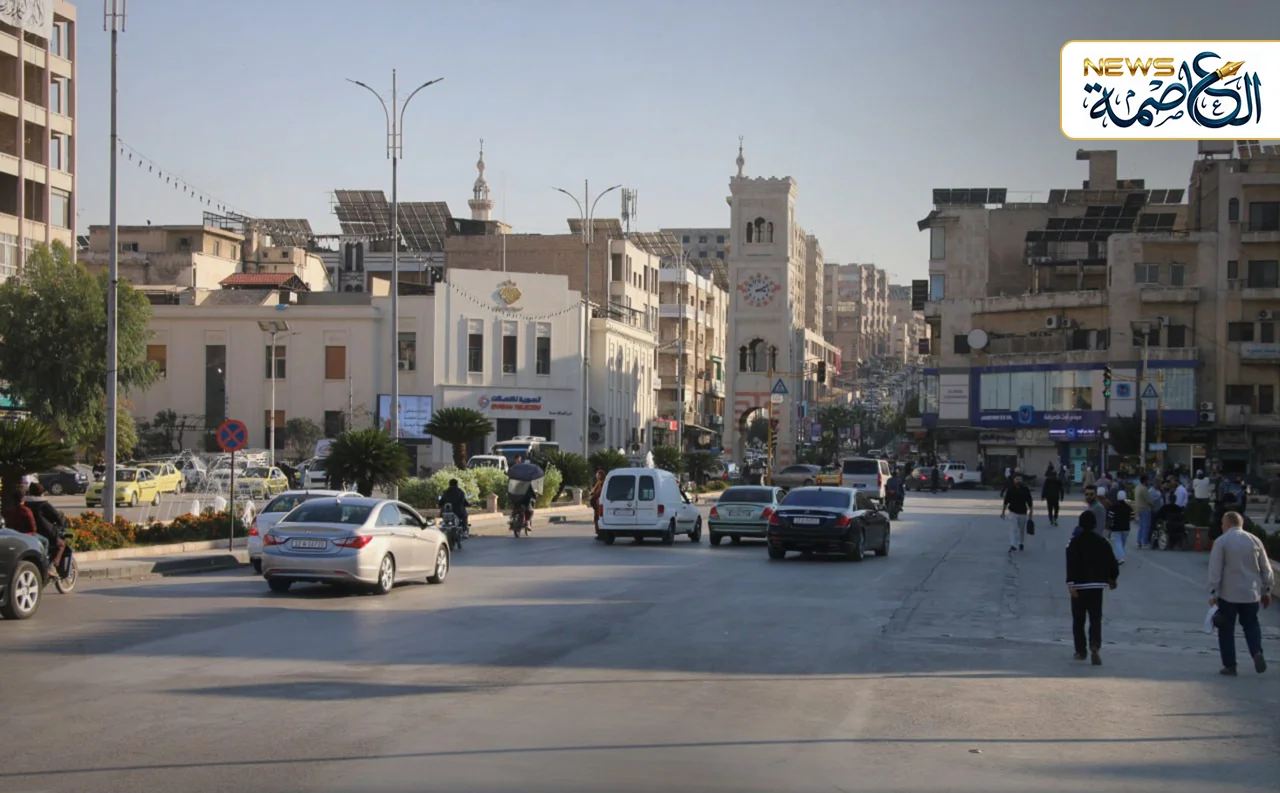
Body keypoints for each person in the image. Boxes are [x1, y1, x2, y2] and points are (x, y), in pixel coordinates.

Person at [1206, 511, 1274, 676]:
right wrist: (1267, 591)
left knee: (1226, 629)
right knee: (1251, 624)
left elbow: (1215, 569)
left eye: (1223, 523)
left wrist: (1213, 593)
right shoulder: (1254, 540)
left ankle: (1230, 665)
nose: (1221, 526)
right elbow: (1266, 568)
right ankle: (1256, 651)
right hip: (1251, 593)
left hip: (1228, 594)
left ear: (1229, 523)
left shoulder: (1222, 541)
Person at [1066, 509, 1120, 666]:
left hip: (1079, 586)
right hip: (1097, 586)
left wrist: (1071, 584)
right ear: (1095, 525)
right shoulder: (1102, 542)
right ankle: (1094, 644)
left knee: (1078, 619)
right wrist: (1112, 578)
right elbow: (1112, 562)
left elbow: (1070, 563)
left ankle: (1081, 651)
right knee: (1095, 618)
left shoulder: (1074, 542)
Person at [3, 488, 54, 577]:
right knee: (45, 541)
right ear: (23, 499)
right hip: (27, 535)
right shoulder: (26, 510)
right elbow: (33, 527)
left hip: (12, 534)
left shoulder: (8, 511)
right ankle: (45, 565)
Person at [26, 481, 68, 573]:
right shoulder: (43, 505)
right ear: (42, 493)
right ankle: (52, 566)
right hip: (45, 533)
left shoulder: (25, 504)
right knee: (61, 545)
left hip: (26, 532)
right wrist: (64, 523)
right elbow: (57, 517)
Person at [1001, 473, 1033, 553]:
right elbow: (1006, 501)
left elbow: (1029, 500)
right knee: (1013, 529)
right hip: (1013, 512)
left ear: (1022, 480)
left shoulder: (1025, 489)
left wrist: (1031, 511)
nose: (1018, 481)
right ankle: (1013, 545)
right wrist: (1003, 512)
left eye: (1020, 479)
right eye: (1017, 479)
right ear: (1014, 480)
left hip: (1023, 512)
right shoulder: (1010, 489)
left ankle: (1021, 543)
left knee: (1021, 529)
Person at [1108, 490, 1133, 564]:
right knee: (1122, 543)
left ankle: (1120, 557)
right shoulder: (1129, 507)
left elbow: (1110, 516)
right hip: (1126, 528)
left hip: (1116, 528)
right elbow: (1132, 516)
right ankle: (1119, 556)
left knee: (1117, 542)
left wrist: (1109, 526)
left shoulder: (1114, 507)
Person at [1134, 475, 1154, 549]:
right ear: (1145, 480)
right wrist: (1152, 505)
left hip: (1139, 508)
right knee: (1146, 526)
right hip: (1145, 509)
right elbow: (1149, 500)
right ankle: (1144, 542)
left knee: (1141, 526)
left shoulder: (1137, 487)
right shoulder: (1144, 489)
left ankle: (1138, 541)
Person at [590, 469, 605, 534]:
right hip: (596, 503)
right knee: (596, 518)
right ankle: (598, 531)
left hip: (599, 502)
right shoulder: (599, 482)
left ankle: (599, 532)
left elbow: (599, 492)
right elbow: (594, 491)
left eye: (599, 475)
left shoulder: (603, 483)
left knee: (597, 518)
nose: (597, 476)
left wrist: (594, 494)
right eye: (597, 475)